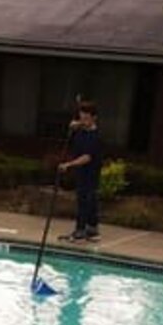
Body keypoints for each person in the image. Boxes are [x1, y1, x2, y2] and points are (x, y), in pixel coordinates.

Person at [58, 101, 103, 243]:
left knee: (85, 200)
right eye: (81, 117)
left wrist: (69, 165)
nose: (83, 121)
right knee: (87, 200)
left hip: (91, 172)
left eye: (86, 118)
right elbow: (71, 144)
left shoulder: (95, 136)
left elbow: (87, 157)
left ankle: (80, 231)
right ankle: (92, 229)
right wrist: (71, 129)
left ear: (93, 118)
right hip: (81, 172)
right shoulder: (80, 131)